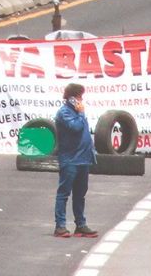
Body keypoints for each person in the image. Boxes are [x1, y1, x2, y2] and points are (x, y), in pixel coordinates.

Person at [54, 83, 97, 238]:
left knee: (80, 194)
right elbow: (76, 128)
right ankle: (60, 226)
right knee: (64, 193)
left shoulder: (79, 113)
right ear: (72, 97)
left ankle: (80, 224)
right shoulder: (64, 113)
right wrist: (80, 113)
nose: (81, 99)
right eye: (79, 96)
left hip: (83, 159)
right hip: (70, 160)